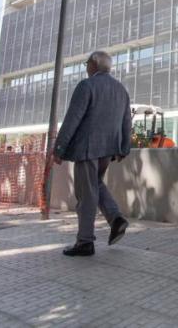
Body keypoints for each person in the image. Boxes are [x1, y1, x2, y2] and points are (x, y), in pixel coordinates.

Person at [52, 51, 132, 257]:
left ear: (94, 64)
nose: (86, 67)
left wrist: (59, 148)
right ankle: (115, 218)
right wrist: (124, 148)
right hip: (109, 150)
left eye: (87, 63)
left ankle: (85, 242)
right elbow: (126, 122)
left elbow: (73, 119)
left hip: (87, 149)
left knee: (86, 195)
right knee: (95, 184)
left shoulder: (86, 86)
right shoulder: (121, 90)